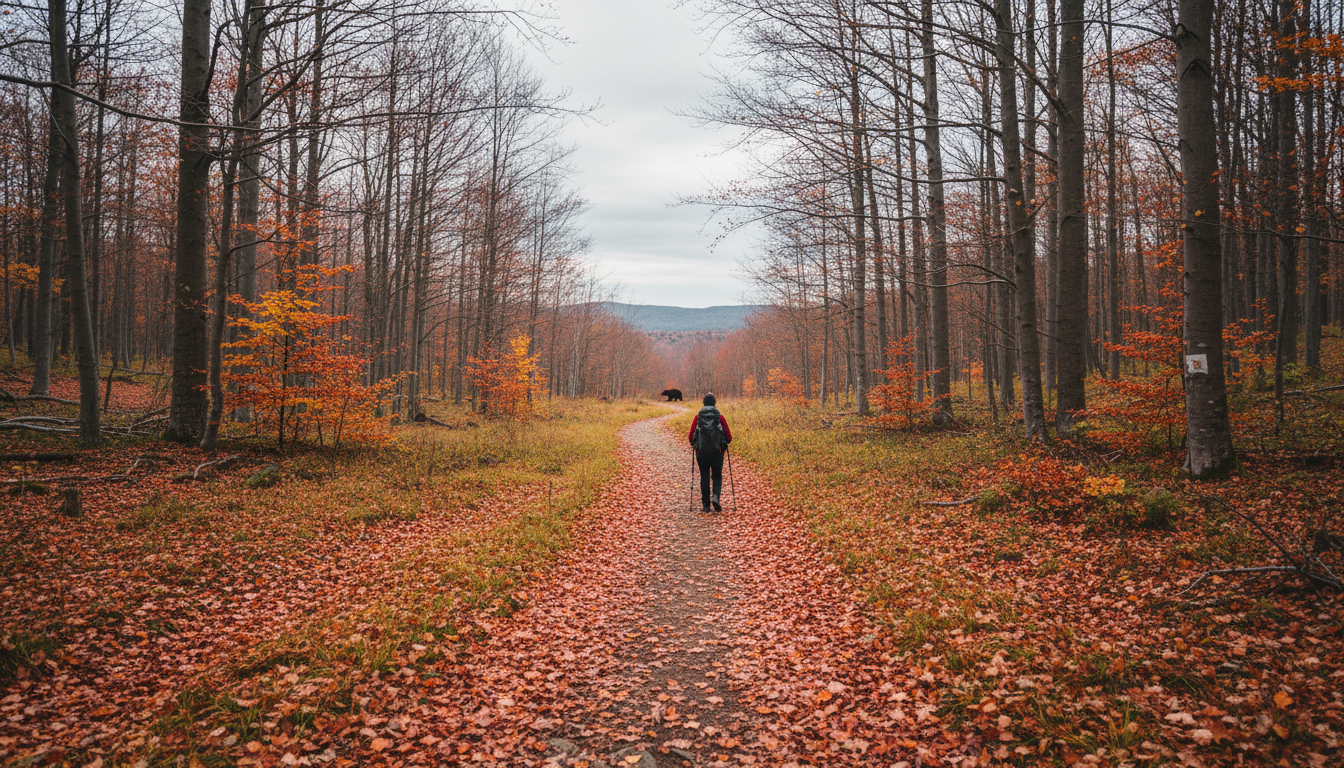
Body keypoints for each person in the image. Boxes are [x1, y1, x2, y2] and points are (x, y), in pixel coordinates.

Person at [687, 393, 732, 512]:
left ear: (703, 403)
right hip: (717, 452)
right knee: (717, 476)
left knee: (704, 476)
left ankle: (706, 505)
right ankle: (716, 498)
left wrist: (696, 447)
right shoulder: (719, 417)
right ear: (714, 403)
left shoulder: (698, 417)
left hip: (702, 452)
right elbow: (729, 437)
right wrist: (722, 446)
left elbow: (690, 436)